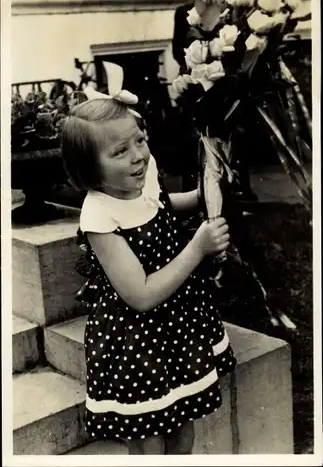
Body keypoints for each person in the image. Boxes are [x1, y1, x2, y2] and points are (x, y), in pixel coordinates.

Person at [60, 95, 236, 455]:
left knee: (183, 422)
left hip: (178, 324)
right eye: (120, 150)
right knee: (149, 442)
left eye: (139, 139)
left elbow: (157, 206)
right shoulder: (99, 216)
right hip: (137, 341)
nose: (138, 155)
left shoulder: (142, 176)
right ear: (90, 169)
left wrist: (201, 195)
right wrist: (197, 248)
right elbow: (139, 295)